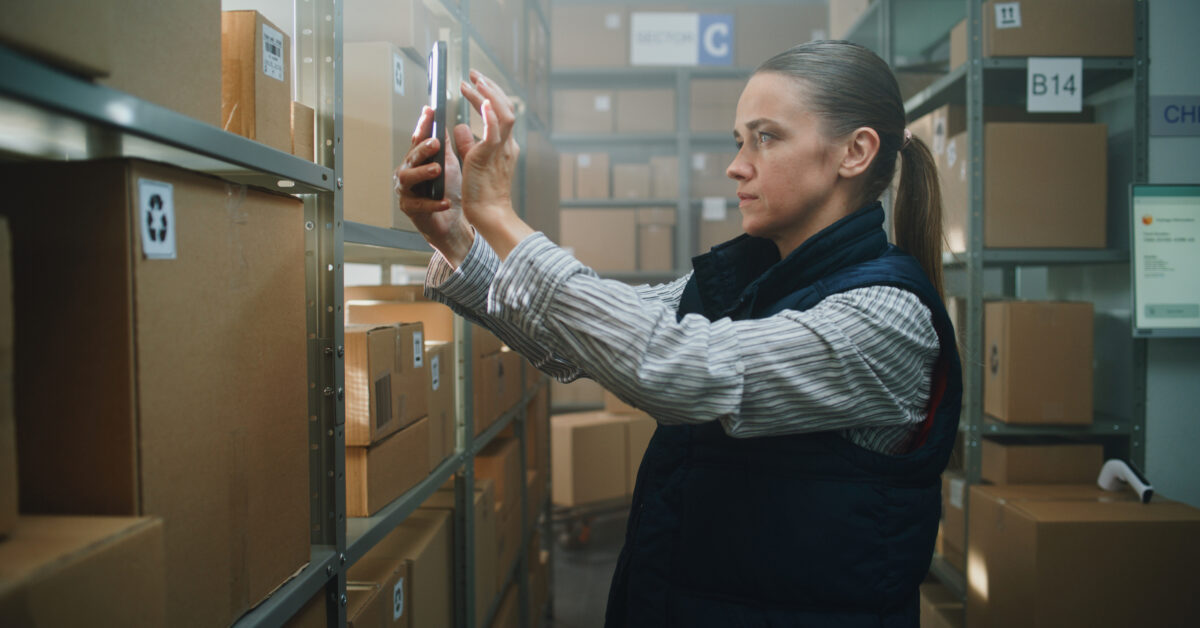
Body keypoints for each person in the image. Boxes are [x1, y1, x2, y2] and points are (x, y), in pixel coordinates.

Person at [395, 40, 962, 628]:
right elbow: (578, 345)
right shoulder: (744, 279)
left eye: (766, 137)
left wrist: (502, 220)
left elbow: (677, 370)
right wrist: (456, 235)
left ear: (855, 152)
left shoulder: (887, 318)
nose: (737, 164)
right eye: (738, 140)